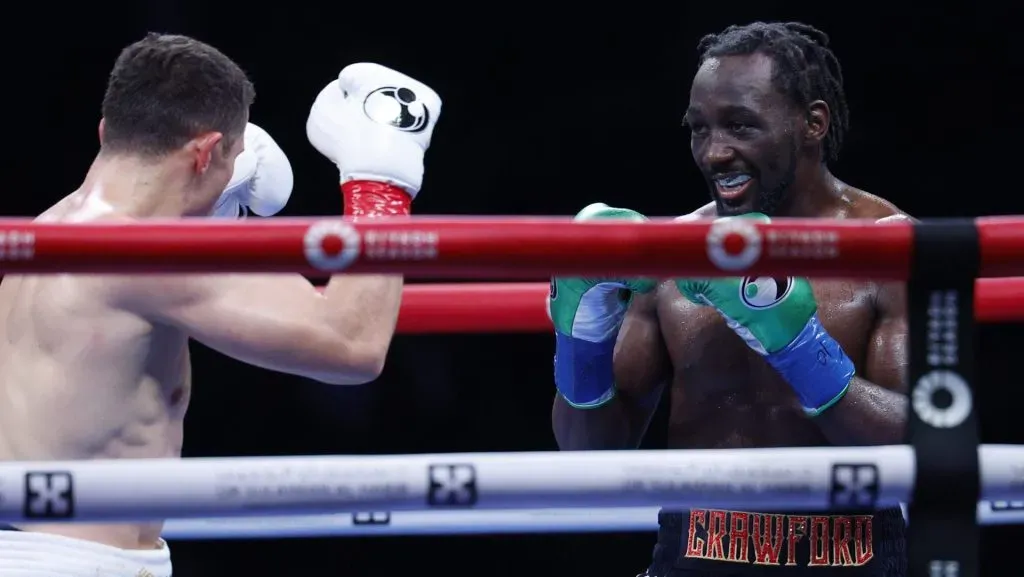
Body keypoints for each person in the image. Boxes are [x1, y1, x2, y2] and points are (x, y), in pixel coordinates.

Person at [0, 33, 441, 576]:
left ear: (107, 131)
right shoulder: (144, 254)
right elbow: (353, 343)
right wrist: (380, 185)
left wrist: (206, 207)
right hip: (74, 563)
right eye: (231, 158)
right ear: (206, 152)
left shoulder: (55, 226)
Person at [550, 22, 909, 576]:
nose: (715, 153)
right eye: (699, 129)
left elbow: (921, 441)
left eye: (741, 126)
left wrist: (797, 347)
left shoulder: (889, 250)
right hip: (693, 553)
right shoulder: (674, 255)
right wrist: (583, 340)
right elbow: (588, 454)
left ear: (813, 123)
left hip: (849, 556)